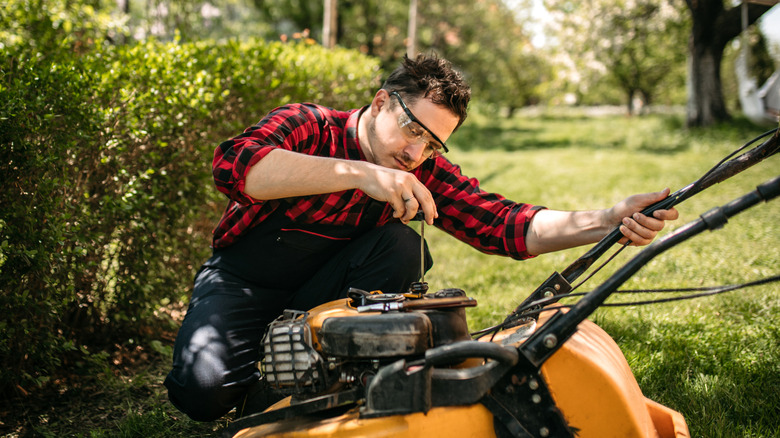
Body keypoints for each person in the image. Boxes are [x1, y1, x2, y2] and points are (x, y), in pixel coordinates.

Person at [164, 54, 679, 421]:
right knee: (202, 395)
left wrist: (608, 218)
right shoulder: (310, 125)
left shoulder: (421, 169)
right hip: (245, 280)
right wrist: (359, 174)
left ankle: (294, 385)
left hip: (328, 294)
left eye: (434, 146)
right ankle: (263, 367)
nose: (417, 155)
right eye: (413, 131)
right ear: (382, 102)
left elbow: (504, 224)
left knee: (401, 245)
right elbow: (235, 165)